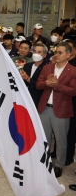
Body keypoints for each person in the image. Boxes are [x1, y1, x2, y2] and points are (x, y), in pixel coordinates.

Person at [36, 42, 76, 178]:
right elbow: (38, 84)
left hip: (61, 111)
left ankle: (59, 165)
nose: (57, 55)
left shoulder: (73, 70)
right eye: (56, 52)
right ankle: (45, 161)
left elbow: (73, 91)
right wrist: (47, 83)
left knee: (60, 140)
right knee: (44, 138)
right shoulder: (48, 68)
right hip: (44, 108)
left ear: (68, 55)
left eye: (60, 53)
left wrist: (57, 85)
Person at [20, 43, 48, 108]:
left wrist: (27, 78)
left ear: (44, 55)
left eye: (39, 52)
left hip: (37, 101)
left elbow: (41, 85)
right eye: (34, 51)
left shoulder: (46, 68)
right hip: (24, 99)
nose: (35, 54)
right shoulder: (27, 65)